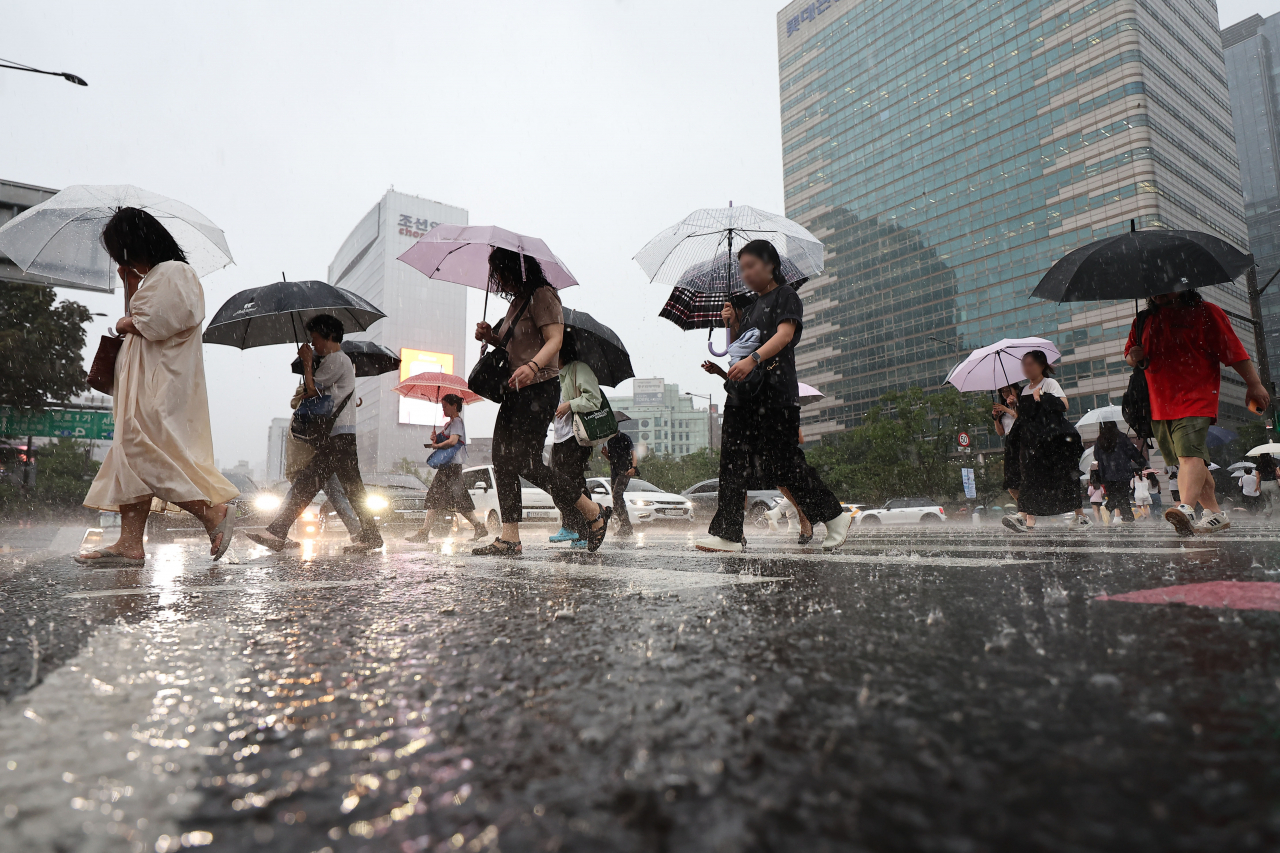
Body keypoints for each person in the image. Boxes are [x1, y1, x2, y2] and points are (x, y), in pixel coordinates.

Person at [77, 208, 238, 566]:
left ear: (133, 243)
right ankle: (130, 543)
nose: (120, 258)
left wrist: (123, 321)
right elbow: (140, 316)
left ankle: (212, 513)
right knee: (128, 458)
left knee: (142, 453)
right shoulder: (153, 278)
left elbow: (155, 322)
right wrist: (129, 286)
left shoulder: (175, 273)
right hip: (140, 381)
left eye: (120, 249)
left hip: (160, 384)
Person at [693, 240, 853, 552]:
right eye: (742, 269)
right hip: (746, 396)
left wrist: (753, 360)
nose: (746, 274)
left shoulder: (786, 295)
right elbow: (742, 347)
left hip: (776, 394)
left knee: (784, 464)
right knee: (732, 460)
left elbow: (784, 335)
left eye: (751, 266)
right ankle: (727, 533)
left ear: (770, 264)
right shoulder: (751, 307)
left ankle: (834, 517)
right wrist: (733, 323)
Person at [471, 249, 609, 555]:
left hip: (538, 388)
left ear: (516, 269)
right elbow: (514, 345)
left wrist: (533, 366)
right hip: (514, 388)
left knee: (526, 462)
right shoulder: (517, 302)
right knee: (502, 460)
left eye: (502, 272)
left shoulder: (543, 295)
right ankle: (510, 537)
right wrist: (491, 336)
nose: (499, 280)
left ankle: (591, 512)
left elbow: (554, 341)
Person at [1125, 290, 1271, 535]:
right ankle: (1215, 514)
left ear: (1182, 284)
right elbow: (1130, 355)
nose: (1159, 292)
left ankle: (1186, 508)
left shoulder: (1207, 313)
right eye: (1154, 288)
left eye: (1166, 285)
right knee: (1190, 461)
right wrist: (1133, 356)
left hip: (1196, 396)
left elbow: (1233, 351)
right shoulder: (1143, 320)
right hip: (1159, 403)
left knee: (1188, 456)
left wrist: (1254, 384)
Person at [246, 315, 383, 553]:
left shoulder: (337, 359)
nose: (314, 343)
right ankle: (371, 535)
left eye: (316, 338)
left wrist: (308, 362)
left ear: (330, 337)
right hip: (341, 437)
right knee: (349, 488)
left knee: (308, 483)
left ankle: (277, 531)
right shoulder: (340, 361)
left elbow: (312, 391)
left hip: (338, 438)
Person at [1002, 351, 1091, 532]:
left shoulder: (1049, 383)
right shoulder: (1023, 389)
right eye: (1023, 364)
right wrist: (1014, 405)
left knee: (1064, 477)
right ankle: (1022, 516)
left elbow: (1064, 405)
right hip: (1030, 442)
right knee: (1028, 477)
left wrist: (1040, 396)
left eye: (1030, 364)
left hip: (1052, 442)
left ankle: (1080, 516)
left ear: (1041, 365)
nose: (1026, 368)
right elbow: (1026, 417)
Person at [285, 376, 363, 542]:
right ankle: (278, 531)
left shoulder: (319, 400)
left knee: (334, 494)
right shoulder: (311, 402)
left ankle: (356, 531)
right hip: (310, 456)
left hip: (319, 457)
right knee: (298, 495)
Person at [406, 394, 488, 545]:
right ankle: (478, 527)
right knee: (455, 499)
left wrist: (436, 446)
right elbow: (446, 439)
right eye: (442, 406)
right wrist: (435, 438)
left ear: (454, 406)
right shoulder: (451, 424)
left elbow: (453, 441)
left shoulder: (457, 421)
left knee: (435, 498)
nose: (443, 409)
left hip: (451, 468)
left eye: (445, 406)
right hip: (450, 468)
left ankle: (424, 533)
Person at [548, 359, 604, 548]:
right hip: (559, 438)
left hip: (577, 436)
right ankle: (581, 530)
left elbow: (594, 399)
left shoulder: (579, 369)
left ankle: (577, 527)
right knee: (561, 482)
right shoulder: (554, 374)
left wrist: (570, 404)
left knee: (569, 482)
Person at [1092, 421, 1143, 524]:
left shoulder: (1100, 440)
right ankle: (1108, 508)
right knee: (1122, 494)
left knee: (1118, 496)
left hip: (1106, 474)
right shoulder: (1121, 437)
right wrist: (1141, 462)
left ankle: (1128, 517)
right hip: (1122, 471)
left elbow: (1096, 456)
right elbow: (1132, 451)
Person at [601, 430, 636, 537]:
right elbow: (611, 458)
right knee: (615, 498)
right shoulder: (610, 440)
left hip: (625, 470)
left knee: (617, 495)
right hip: (615, 471)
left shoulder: (625, 437)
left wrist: (633, 467)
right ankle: (624, 525)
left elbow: (633, 453)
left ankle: (626, 525)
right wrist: (606, 454)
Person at [993, 384, 1022, 505]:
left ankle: (1026, 511)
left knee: (1025, 478)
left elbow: (1022, 419)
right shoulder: (1002, 408)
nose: (1005, 393)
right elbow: (1000, 432)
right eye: (1002, 391)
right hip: (1010, 442)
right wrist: (995, 418)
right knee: (1011, 483)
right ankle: (1024, 508)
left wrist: (1009, 409)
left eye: (1008, 390)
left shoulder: (1022, 403)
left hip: (1023, 440)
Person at [1257, 453, 1278, 519]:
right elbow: (1278, 473)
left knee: (1268, 500)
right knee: (1276, 499)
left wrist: (1257, 486)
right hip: (1273, 483)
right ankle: (1276, 514)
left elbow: (1258, 478)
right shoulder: (1273, 464)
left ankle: (1268, 513)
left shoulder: (1259, 465)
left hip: (1263, 484)